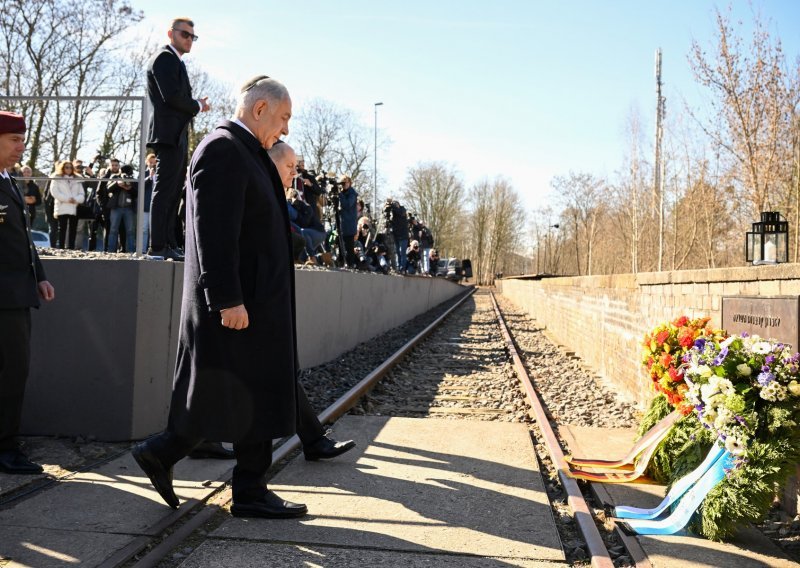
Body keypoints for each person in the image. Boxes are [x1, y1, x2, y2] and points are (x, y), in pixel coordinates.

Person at [132, 76, 353, 519]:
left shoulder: (244, 151)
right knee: (247, 390)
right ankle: (246, 488)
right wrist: (227, 298)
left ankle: (175, 457)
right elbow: (215, 234)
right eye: (284, 117)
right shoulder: (223, 149)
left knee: (249, 390)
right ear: (260, 110)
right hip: (238, 302)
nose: (286, 129)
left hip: (255, 301)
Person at [0, 111, 55, 474]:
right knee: (8, 371)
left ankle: (6, 443)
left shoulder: (8, 179)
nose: (22, 146)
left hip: (15, 293)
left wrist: (40, 275)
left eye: (22, 139)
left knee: (13, 371)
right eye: (14, 139)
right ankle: (5, 449)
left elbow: (22, 237)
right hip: (3, 295)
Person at [146, 17, 210, 261]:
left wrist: (195, 106)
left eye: (193, 36)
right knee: (164, 189)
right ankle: (157, 246)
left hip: (176, 133)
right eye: (185, 34)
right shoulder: (164, 58)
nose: (189, 40)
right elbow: (171, 96)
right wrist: (198, 105)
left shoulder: (175, 61)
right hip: (168, 134)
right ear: (170, 33)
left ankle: (169, 243)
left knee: (173, 190)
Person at [49, 160, 85, 249]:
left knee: (73, 229)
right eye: (66, 167)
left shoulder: (77, 179)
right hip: (62, 206)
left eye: (70, 167)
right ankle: (61, 247)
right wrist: (67, 199)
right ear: (62, 168)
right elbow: (54, 192)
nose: (68, 169)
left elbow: (82, 194)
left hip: (74, 207)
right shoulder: (56, 178)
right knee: (62, 228)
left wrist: (75, 200)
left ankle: (71, 247)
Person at [338, 175, 358, 267]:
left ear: (350, 183)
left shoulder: (352, 193)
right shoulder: (341, 193)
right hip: (342, 223)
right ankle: (341, 262)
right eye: (343, 182)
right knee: (341, 244)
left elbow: (347, 204)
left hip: (349, 224)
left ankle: (351, 264)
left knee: (349, 246)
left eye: (346, 182)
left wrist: (340, 195)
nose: (344, 184)